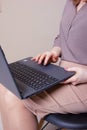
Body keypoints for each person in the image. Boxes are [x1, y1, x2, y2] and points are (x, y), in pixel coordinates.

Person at [0, 0, 87, 130]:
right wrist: (54, 52)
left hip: (83, 80)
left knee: (18, 98)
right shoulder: (71, 2)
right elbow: (62, 37)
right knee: (5, 86)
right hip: (65, 72)